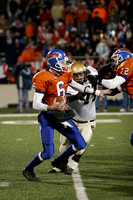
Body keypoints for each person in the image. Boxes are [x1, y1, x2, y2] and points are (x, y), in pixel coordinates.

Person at [22, 49, 111, 181]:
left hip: (60, 115)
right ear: (54, 63)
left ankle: (59, 162)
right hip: (47, 117)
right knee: (47, 153)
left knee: (80, 144)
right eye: (62, 62)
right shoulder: (41, 76)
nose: (65, 64)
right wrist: (50, 107)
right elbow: (36, 103)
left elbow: (75, 85)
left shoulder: (65, 72)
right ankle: (28, 169)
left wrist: (97, 93)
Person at [48, 61, 98, 174]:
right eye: (76, 75)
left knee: (81, 146)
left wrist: (93, 74)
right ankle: (61, 165)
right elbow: (69, 97)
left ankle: (72, 164)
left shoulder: (91, 81)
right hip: (73, 121)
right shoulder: (67, 85)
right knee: (64, 145)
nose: (79, 77)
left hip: (87, 122)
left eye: (81, 74)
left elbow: (94, 71)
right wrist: (77, 95)